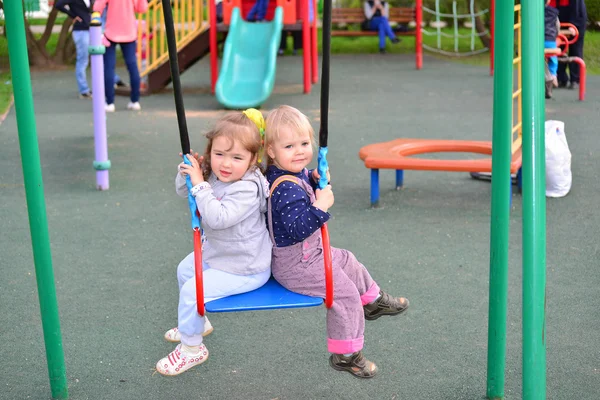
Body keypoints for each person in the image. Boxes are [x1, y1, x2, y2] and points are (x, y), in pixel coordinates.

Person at [264, 105, 409, 378]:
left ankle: (373, 301)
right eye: (289, 146)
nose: (300, 151)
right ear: (271, 151)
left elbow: (300, 179)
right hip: (296, 265)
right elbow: (297, 229)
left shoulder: (289, 175)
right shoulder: (285, 189)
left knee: (348, 260)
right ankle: (345, 354)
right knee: (342, 294)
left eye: (304, 143)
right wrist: (320, 206)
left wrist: (313, 177)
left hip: (312, 255)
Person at [156, 110, 273, 376]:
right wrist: (189, 172)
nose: (226, 164)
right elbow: (184, 191)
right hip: (221, 255)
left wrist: (199, 183)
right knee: (184, 271)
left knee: (192, 292)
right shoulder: (215, 175)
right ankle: (198, 322)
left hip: (246, 267)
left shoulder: (247, 188)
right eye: (219, 154)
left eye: (237, 157)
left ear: (253, 159)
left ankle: (192, 348)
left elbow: (218, 218)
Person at [92, 0, 149, 112]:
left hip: (111, 32)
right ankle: (135, 101)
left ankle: (109, 103)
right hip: (129, 32)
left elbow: (97, 7)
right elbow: (142, 8)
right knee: (132, 66)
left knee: (108, 67)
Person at [54, 0, 93, 99]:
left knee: (100, 56)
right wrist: (72, 15)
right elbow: (58, 4)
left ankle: (111, 81)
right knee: (83, 59)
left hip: (92, 29)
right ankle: (84, 90)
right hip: (81, 31)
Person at [555, 0, 587, 89]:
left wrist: (573, 24)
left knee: (575, 49)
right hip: (560, 19)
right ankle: (561, 77)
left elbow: (577, 8)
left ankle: (575, 79)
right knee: (559, 49)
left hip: (576, 20)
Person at [544, 0, 560, 99]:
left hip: (538, 41)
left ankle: (547, 77)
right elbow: (557, 26)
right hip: (550, 41)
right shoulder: (554, 13)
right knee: (553, 58)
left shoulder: (535, 14)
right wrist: (555, 35)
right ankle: (553, 74)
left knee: (540, 60)